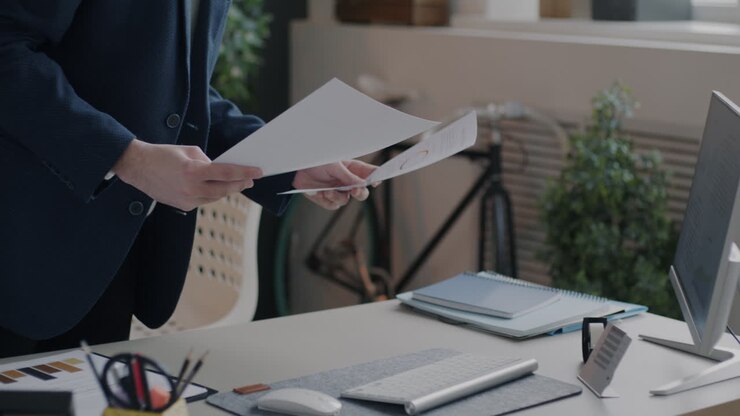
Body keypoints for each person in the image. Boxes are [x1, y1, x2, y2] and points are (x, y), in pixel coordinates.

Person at [0, 1, 375, 358]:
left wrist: (290, 163)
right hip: (19, 237)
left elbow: (179, 93)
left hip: (110, 248)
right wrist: (127, 157)